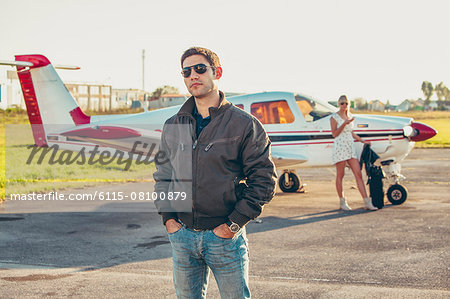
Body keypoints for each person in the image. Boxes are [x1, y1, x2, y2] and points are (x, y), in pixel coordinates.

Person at [153, 47, 277, 299]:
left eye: (200, 68)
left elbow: (263, 180)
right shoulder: (173, 125)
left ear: (217, 72)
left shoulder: (244, 124)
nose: (193, 76)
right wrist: (169, 219)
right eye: (186, 71)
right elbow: (163, 175)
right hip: (183, 237)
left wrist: (232, 224)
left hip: (224, 239)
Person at [330, 95, 378, 211]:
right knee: (340, 175)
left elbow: (351, 132)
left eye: (346, 103)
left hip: (350, 147)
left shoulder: (349, 116)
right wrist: (344, 124)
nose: (344, 106)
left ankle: (367, 202)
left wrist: (362, 140)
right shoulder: (334, 117)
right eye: (342, 103)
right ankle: (342, 201)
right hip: (340, 147)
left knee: (358, 174)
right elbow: (334, 134)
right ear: (338, 104)